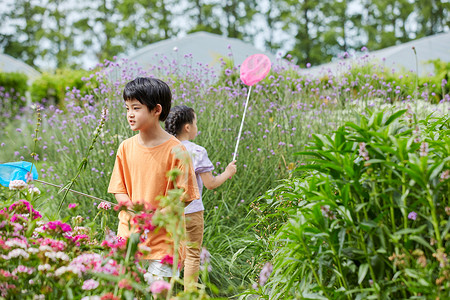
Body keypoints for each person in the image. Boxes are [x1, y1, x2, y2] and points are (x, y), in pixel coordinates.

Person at [108, 78, 200, 282]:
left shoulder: (177, 150)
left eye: (136, 108)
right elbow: (118, 188)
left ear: (156, 110)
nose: (130, 114)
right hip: (129, 235)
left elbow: (184, 197)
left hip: (164, 240)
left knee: (157, 292)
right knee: (125, 289)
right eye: (127, 108)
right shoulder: (125, 147)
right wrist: (129, 207)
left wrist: (155, 218)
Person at [165, 105, 237, 290]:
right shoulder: (197, 151)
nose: (197, 127)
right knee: (192, 255)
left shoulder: (163, 149)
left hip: (167, 212)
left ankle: (164, 291)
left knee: (168, 252)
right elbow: (211, 183)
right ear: (188, 127)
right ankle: (189, 294)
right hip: (192, 211)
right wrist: (228, 172)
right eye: (196, 123)